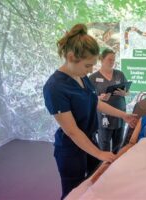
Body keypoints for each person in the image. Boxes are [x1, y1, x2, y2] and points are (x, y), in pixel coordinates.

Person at [43, 24, 137, 200]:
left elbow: (95, 103)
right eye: (88, 65)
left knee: (95, 185)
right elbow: (72, 131)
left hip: (90, 140)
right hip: (71, 148)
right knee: (73, 192)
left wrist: (123, 115)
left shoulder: (81, 76)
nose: (91, 70)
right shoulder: (54, 87)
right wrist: (100, 153)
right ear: (71, 57)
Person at [89, 48, 128, 153]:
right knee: (104, 145)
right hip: (104, 117)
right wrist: (99, 98)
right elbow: (89, 98)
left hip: (120, 115)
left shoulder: (119, 74)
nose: (112, 62)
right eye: (109, 60)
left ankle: (116, 167)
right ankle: (104, 167)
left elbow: (127, 92)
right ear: (102, 60)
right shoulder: (93, 78)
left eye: (113, 60)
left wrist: (124, 93)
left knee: (118, 145)